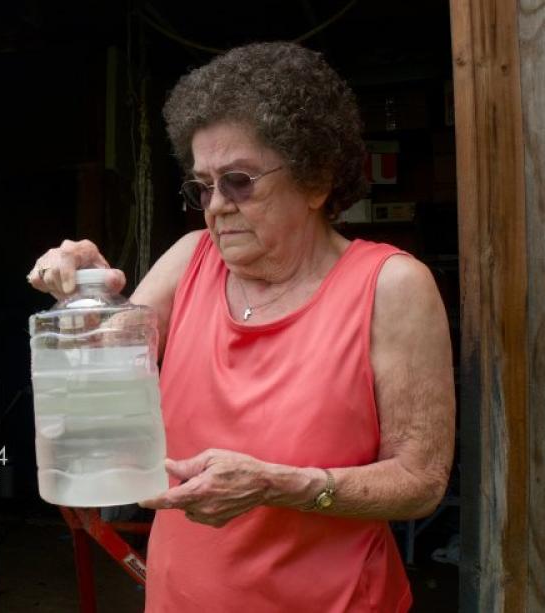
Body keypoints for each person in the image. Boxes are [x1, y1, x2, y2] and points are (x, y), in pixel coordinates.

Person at [27, 42, 455, 612]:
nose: (216, 206)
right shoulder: (189, 259)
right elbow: (109, 351)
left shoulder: (392, 286)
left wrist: (283, 485)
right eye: (203, 186)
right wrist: (88, 287)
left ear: (316, 179)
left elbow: (420, 481)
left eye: (239, 181)